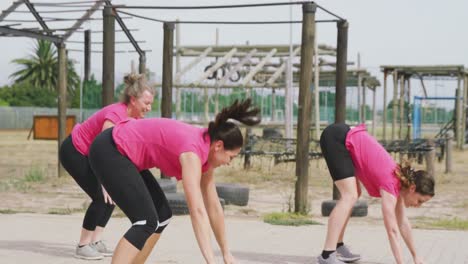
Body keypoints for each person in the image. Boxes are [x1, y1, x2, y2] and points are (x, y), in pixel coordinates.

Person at [87, 99, 260, 264]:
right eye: (231, 157)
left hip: (123, 154)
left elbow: (214, 207)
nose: (229, 162)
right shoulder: (192, 153)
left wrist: (226, 253)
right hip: (108, 149)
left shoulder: (206, 154)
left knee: (161, 217)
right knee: (145, 221)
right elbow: (197, 211)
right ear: (219, 146)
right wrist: (211, 260)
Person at [59, 73, 155, 260]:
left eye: (151, 103)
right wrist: (105, 182)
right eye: (146, 103)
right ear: (133, 100)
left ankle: (96, 241)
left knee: (113, 195)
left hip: (91, 154)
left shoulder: (135, 120)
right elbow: (103, 153)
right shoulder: (115, 116)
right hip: (74, 150)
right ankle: (83, 244)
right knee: (100, 195)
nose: (149, 108)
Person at [317, 123, 435, 264]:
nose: (418, 205)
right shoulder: (390, 184)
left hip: (344, 137)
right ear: (412, 188)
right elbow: (392, 230)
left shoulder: (398, 183)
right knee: (350, 195)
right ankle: (327, 254)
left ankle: (338, 245)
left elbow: (402, 223)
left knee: (355, 193)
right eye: (420, 201)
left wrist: (416, 255)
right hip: (337, 138)